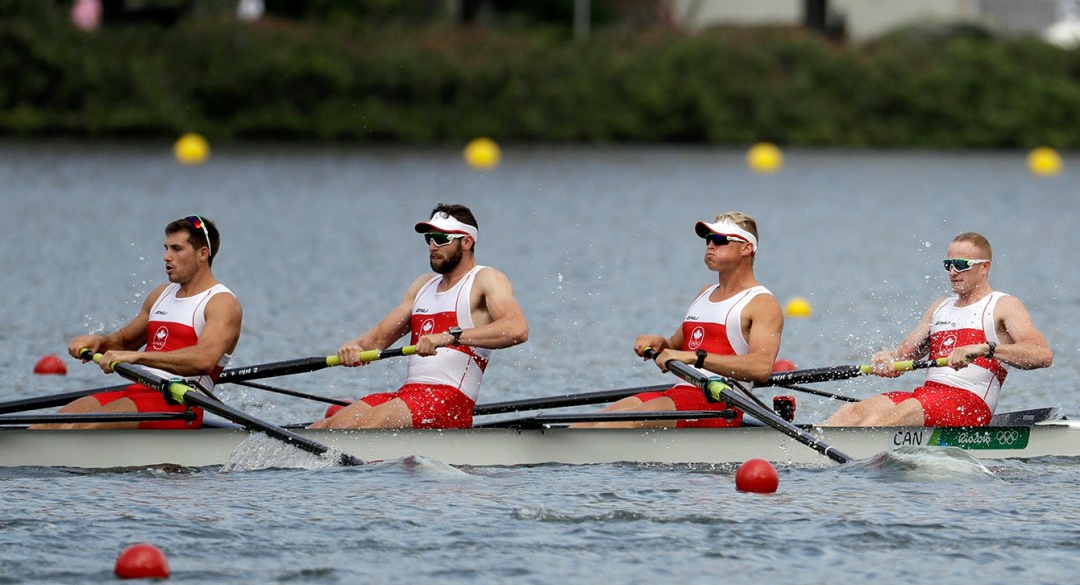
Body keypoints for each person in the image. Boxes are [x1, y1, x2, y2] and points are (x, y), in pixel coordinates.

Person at [310, 204, 528, 429]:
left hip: (449, 400)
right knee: (323, 427)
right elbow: (375, 341)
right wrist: (353, 347)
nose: (433, 246)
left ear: (466, 242)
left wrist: (449, 337)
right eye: (429, 239)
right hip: (409, 395)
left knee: (362, 426)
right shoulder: (422, 286)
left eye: (441, 238)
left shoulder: (486, 279)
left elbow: (517, 329)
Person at [574, 212, 784, 428]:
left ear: (746, 247)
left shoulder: (762, 303)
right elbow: (676, 348)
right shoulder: (705, 293)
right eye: (708, 239)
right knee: (586, 424)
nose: (711, 245)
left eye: (720, 240)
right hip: (680, 394)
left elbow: (761, 368)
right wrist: (659, 343)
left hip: (719, 405)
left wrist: (695, 358)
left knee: (614, 427)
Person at [33, 216, 242, 430]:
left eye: (177, 249)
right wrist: (100, 341)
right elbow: (123, 343)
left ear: (202, 254)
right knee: (46, 426)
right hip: (138, 391)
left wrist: (137, 357)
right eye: (166, 248)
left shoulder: (222, 303)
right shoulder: (161, 294)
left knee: (82, 428)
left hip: (180, 404)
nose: (166, 257)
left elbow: (204, 360)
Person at [826, 232, 1052, 427]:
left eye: (961, 265)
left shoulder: (1003, 305)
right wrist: (887, 359)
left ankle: (857, 460)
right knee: (850, 414)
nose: (953, 272)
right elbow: (904, 355)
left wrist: (985, 349)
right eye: (948, 265)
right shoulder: (940, 307)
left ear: (985, 267)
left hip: (969, 405)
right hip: (927, 397)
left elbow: (1042, 354)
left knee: (884, 420)